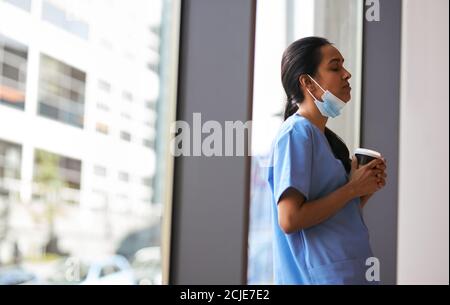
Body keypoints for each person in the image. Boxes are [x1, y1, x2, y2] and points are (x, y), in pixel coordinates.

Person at [267, 37, 387, 284]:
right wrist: (351, 188)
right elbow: (290, 219)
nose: (347, 74)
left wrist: (362, 189)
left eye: (344, 66)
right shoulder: (296, 133)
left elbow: (331, 219)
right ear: (307, 83)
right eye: (335, 67)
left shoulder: (325, 139)